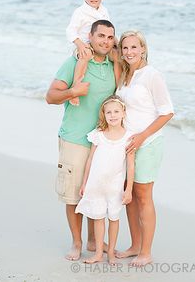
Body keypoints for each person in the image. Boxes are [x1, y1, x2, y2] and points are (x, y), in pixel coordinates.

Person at [46, 20, 116, 261]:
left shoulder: (113, 65)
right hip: (75, 139)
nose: (105, 41)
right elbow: (51, 96)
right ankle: (76, 243)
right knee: (74, 194)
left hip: (103, 144)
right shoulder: (75, 62)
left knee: (97, 193)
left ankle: (94, 240)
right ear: (90, 36)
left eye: (110, 37)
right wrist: (73, 92)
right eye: (101, 36)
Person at [115, 30, 174, 267]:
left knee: (142, 195)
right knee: (128, 197)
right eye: (125, 48)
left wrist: (142, 137)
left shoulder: (152, 75)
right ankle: (134, 245)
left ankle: (146, 252)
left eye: (134, 47)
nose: (129, 52)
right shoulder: (125, 75)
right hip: (127, 145)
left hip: (148, 143)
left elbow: (167, 111)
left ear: (143, 49)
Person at [75, 95, 135, 265]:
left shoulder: (129, 137)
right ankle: (98, 253)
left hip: (115, 187)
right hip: (96, 185)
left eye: (116, 111)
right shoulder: (98, 135)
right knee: (98, 218)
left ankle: (111, 253)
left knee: (114, 218)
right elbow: (90, 160)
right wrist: (85, 183)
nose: (112, 115)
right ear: (104, 115)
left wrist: (128, 189)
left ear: (123, 113)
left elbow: (130, 166)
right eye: (109, 112)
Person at [66, 0, 120, 105]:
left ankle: (118, 89)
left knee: (118, 56)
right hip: (85, 44)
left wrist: (116, 43)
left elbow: (109, 29)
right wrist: (80, 45)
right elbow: (70, 31)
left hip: (102, 44)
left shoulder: (104, 11)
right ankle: (75, 87)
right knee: (86, 55)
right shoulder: (80, 12)